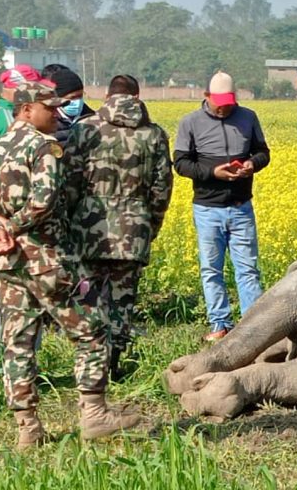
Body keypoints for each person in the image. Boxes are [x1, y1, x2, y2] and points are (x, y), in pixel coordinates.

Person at [0, 80, 139, 449]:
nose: (57, 115)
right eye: (49, 108)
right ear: (26, 109)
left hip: (6, 262)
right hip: (47, 259)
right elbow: (45, 201)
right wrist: (10, 225)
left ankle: (28, 427)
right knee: (91, 330)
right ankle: (94, 414)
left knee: (18, 343)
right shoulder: (44, 147)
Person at [68, 74, 173, 379]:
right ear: (138, 97)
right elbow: (161, 186)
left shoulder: (85, 129)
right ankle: (115, 360)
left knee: (89, 297)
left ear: (107, 96)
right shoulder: (153, 134)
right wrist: (151, 223)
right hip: (134, 229)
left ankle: (89, 364)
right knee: (122, 298)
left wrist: (72, 220)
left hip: (89, 228)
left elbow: (71, 181)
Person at [174, 71, 270, 342]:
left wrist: (253, 164)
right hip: (207, 209)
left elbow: (263, 152)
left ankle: (252, 328)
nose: (224, 106)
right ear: (206, 97)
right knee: (211, 269)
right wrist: (213, 172)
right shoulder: (190, 122)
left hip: (241, 207)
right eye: (218, 101)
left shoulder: (248, 117)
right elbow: (181, 163)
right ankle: (220, 324)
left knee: (248, 268)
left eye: (228, 101)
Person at [0, 64, 44, 359]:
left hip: (11, 223)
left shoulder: (1, 116)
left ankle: (21, 362)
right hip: (11, 225)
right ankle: (3, 359)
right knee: (8, 296)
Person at [45, 66, 96, 144]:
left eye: (80, 96)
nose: (77, 101)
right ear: (58, 98)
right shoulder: (48, 122)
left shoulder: (92, 118)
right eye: (72, 97)